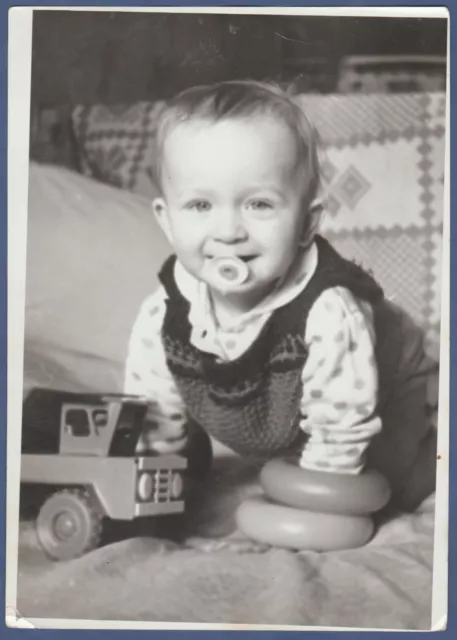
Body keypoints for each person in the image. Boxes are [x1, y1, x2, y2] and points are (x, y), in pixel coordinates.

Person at [124, 80, 437, 513]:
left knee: (393, 487)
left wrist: (316, 504)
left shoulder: (330, 313)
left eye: (259, 205)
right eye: (200, 206)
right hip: (287, 406)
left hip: (384, 382)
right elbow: (154, 413)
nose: (229, 231)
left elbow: (340, 430)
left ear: (308, 224)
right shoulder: (164, 313)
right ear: (167, 220)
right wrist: (157, 472)